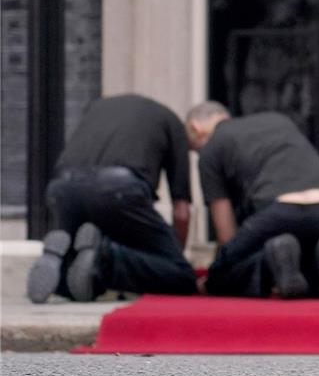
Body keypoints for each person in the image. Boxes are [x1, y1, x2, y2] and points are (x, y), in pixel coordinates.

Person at [26, 94, 199, 303]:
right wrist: (171, 259)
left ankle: (61, 264)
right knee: (181, 276)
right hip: (118, 190)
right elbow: (181, 212)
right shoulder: (175, 125)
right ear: (195, 127)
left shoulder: (98, 108)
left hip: (62, 188)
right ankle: (104, 256)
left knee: (80, 269)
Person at [185, 101, 319, 299]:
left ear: (195, 127)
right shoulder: (278, 120)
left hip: (279, 213)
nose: (197, 153)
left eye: (194, 149)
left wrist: (218, 272)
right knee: (302, 250)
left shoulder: (211, 149)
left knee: (224, 270)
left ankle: (269, 260)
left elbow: (226, 235)